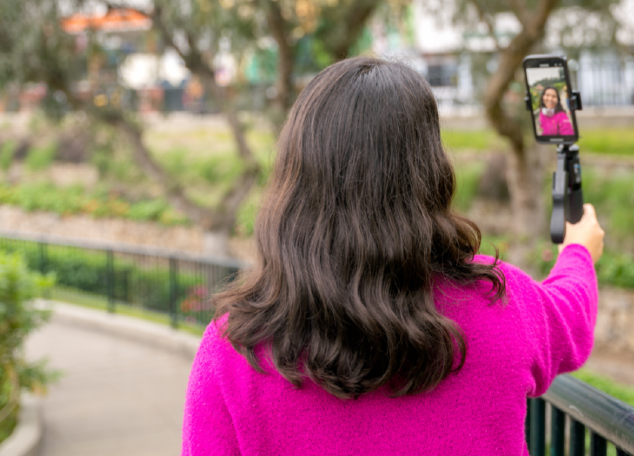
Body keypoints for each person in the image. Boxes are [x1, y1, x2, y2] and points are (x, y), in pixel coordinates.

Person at [182, 57, 604, 456]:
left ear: (294, 179)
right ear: (431, 169)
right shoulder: (502, 304)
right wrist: (578, 250)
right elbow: (572, 315)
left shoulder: (233, 351)